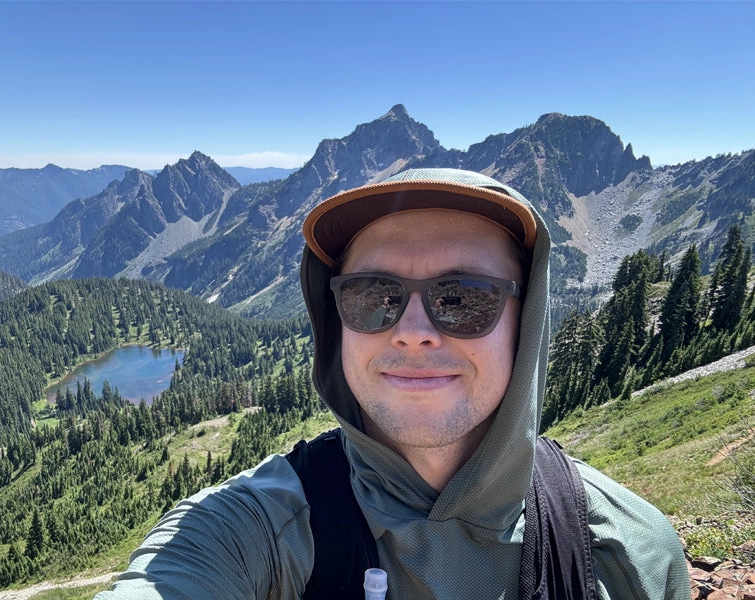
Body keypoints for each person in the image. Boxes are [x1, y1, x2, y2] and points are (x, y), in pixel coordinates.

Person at [95, 168, 688, 599]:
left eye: (462, 298)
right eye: (372, 296)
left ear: (525, 323)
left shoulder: (629, 555)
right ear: (336, 321)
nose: (412, 331)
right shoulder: (248, 534)